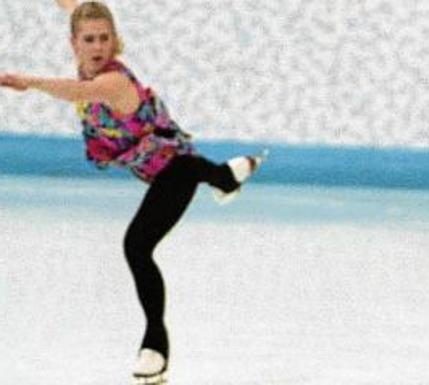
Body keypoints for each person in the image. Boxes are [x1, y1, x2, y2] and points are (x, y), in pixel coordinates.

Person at [0, 1, 266, 382]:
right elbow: (77, 6)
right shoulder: (87, 50)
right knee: (180, 192)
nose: (98, 46)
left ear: (115, 41)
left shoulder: (112, 82)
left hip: (174, 169)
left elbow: (78, 90)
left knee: (137, 246)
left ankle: (155, 346)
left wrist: (30, 82)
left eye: (105, 39)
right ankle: (226, 177)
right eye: (89, 39)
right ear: (73, 43)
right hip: (158, 169)